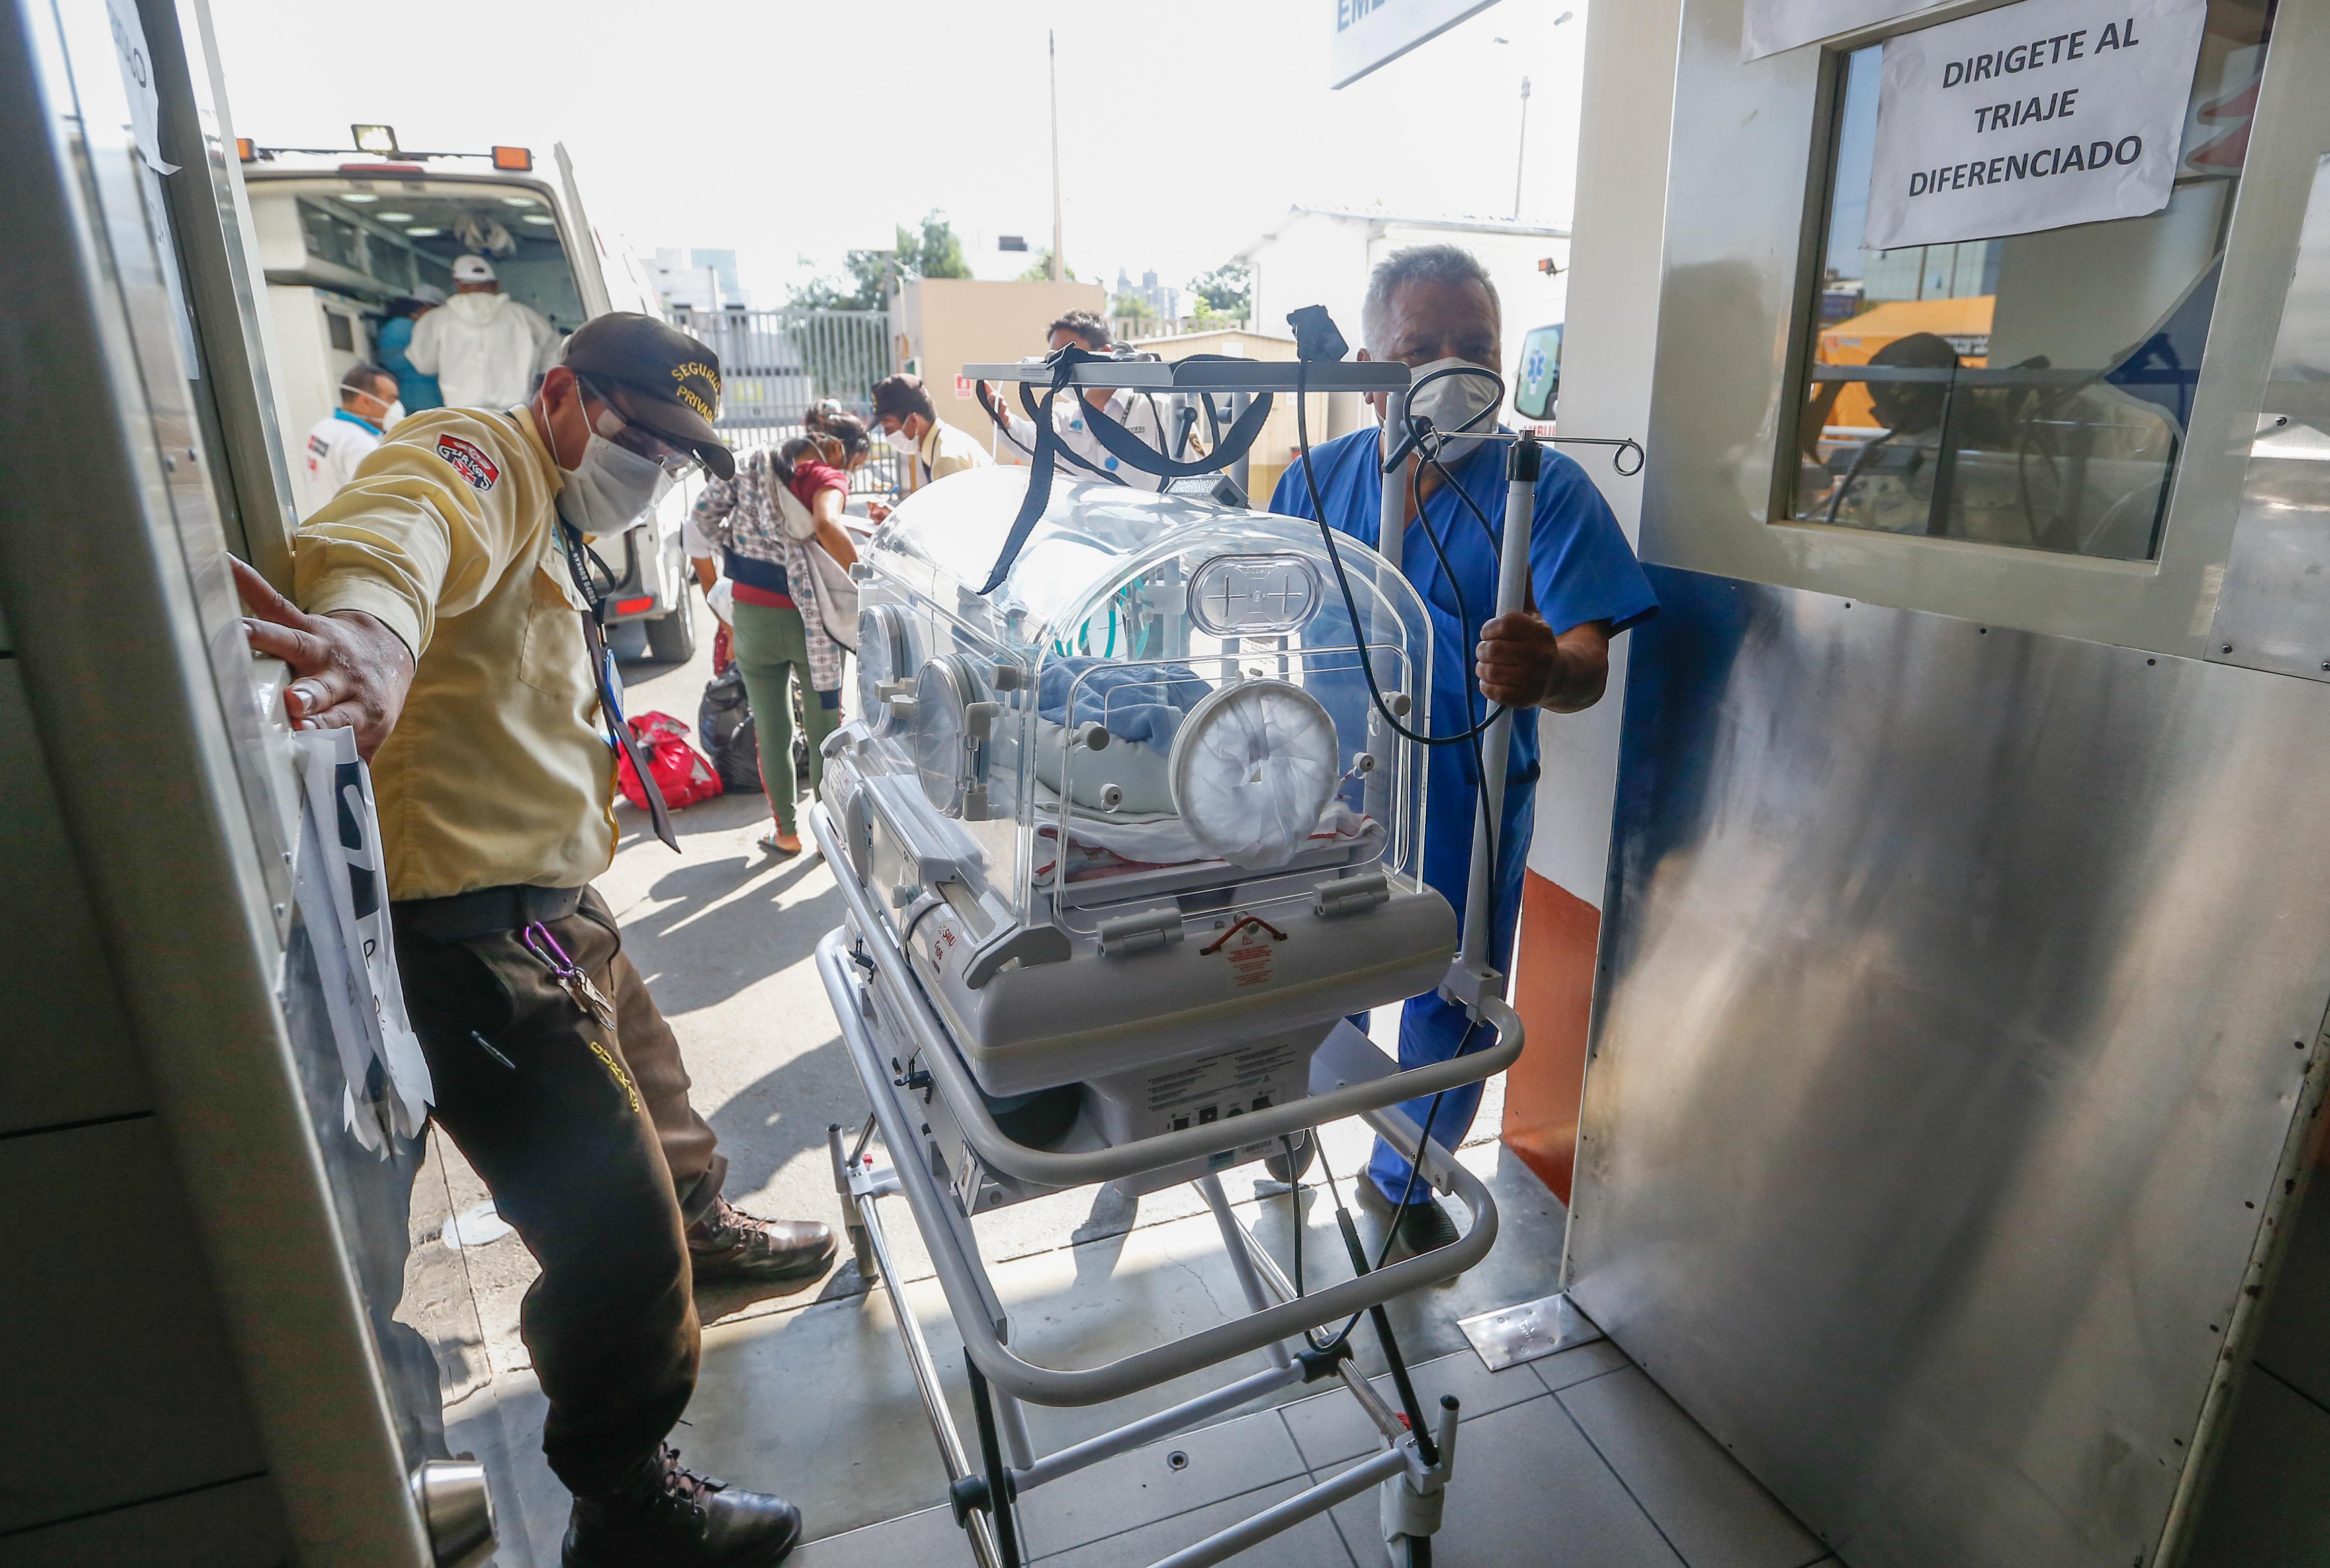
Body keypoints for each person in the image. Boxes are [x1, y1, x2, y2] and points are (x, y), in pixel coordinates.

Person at [236, 312, 831, 1566]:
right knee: (616, 1234)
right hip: (461, 934)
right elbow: (397, 532)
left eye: (675, 455)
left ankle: (704, 1226)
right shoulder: (484, 457)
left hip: (552, 901)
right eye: (635, 434)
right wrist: (371, 639)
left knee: (663, 1106)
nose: (651, 468)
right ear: (561, 393)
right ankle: (627, 1500)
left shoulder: (567, 520)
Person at [1268, 245, 1658, 1255]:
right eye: (1422, 347)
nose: (1455, 367)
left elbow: (1585, 659)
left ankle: (1402, 1176)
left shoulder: (1544, 486)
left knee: (1453, 990)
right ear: (1367, 368)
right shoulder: (1314, 480)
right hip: (1324, 790)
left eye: (1476, 346)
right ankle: (1284, 1120)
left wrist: (1547, 666)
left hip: (1463, 797)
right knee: (1313, 972)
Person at [687, 435, 857, 858]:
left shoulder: (745, 470)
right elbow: (828, 526)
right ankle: (830, 835)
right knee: (826, 733)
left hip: (752, 618)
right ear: (831, 451)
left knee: (771, 729)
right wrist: (864, 584)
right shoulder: (821, 478)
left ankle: (786, 833)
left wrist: (728, 553)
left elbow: (699, 524)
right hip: (813, 621)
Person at [980, 309, 1170, 490]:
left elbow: (1189, 478)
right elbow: (1029, 444)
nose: (1059, 365)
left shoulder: (1158, 408)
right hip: (1081, 522)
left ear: (1104, 353)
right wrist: (1004, 419)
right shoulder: (1065, 416)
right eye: (1053, 357)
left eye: (1069, 354)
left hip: (1148, 523)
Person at [405, 254, 559, 408]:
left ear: (459, 284)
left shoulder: (437, 319)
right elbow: (554, 349)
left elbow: (425, 365)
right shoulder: (524, 316)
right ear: (496, 285)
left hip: (464, 414)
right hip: (516, 412)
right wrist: (540, 381)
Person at [868, 372, 988, 520]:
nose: (887, 435)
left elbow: (952, 526)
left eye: (889, 426)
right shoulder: (938, 446)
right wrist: (893, 520)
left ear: (913, 420)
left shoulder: (947, 458)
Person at [304, 362, 400, 499]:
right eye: (392, 400)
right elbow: (375, 501)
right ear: (366, 401)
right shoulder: (361, 445)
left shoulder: (322, 427)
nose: (396, 408)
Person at [377, 290, 444, 413]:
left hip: (407, 397)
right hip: (424, 397)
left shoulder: (394, 327)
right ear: (426, 307)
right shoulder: (408, 328)